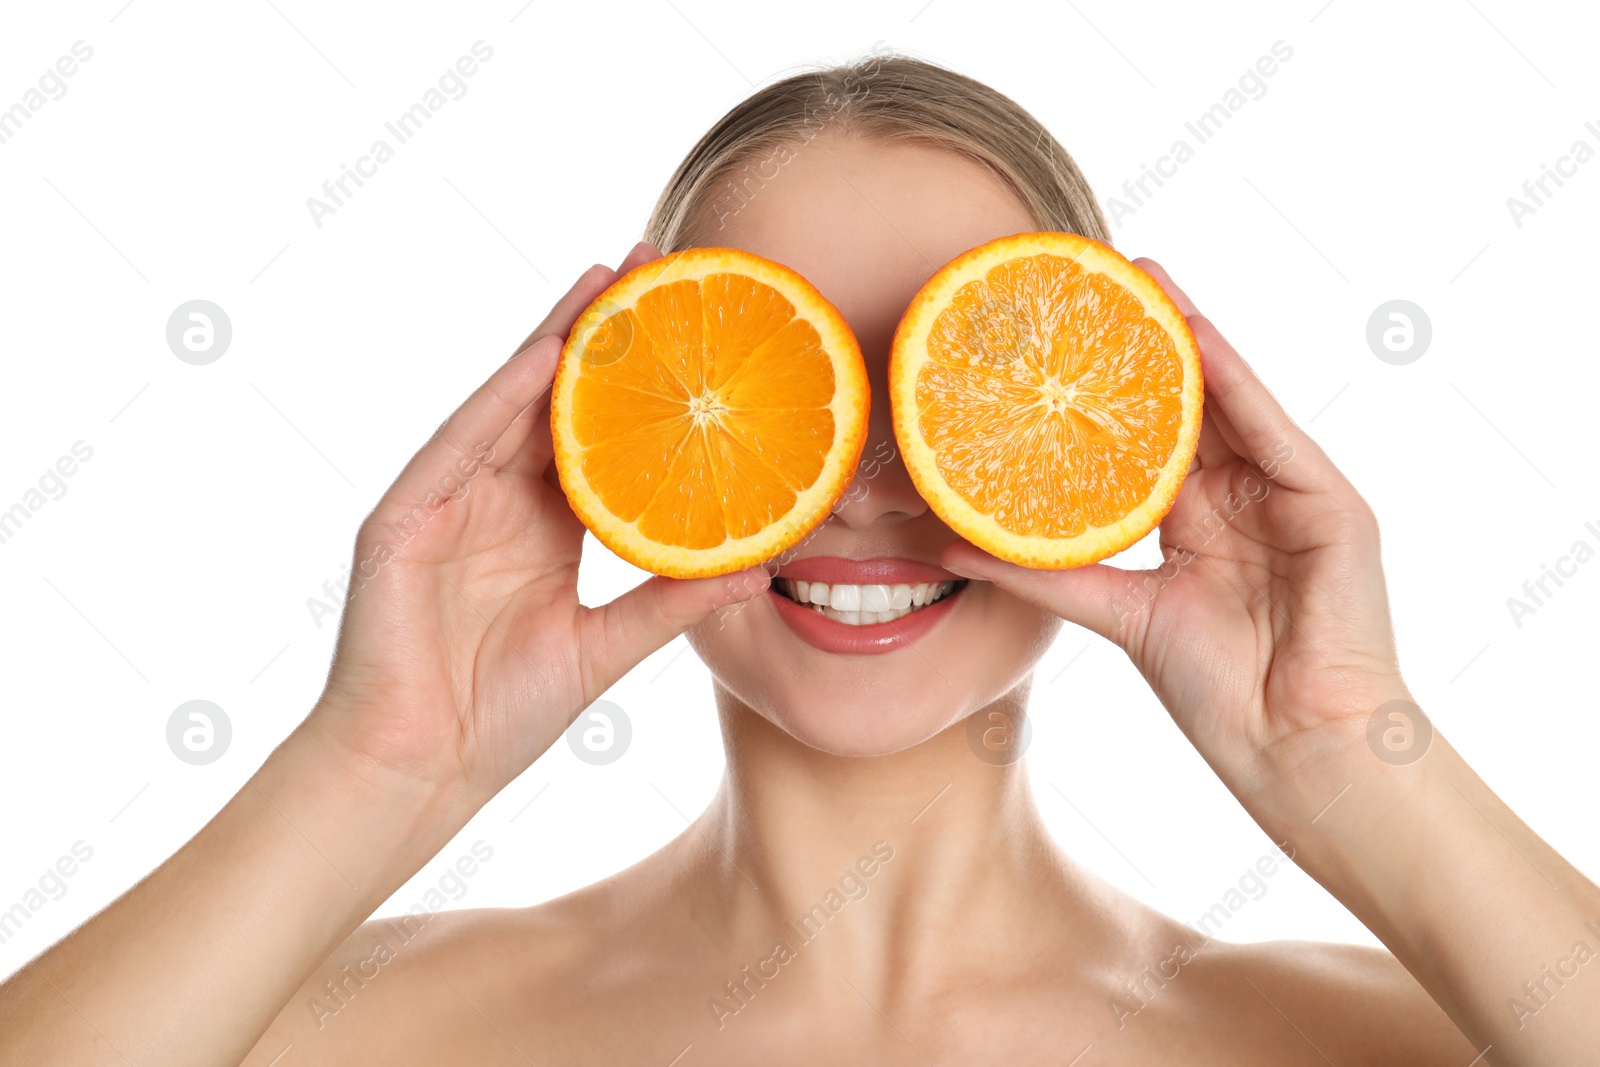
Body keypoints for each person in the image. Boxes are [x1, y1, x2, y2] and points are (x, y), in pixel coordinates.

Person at [2, 52, 1594, 1066]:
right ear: (614, 439)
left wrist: (1347, 757)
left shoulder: (1415, 1039)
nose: (865, 492)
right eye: (775, 391)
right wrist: (378, 765)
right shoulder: (355, 1031)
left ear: (1113, 450)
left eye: (954, 389)